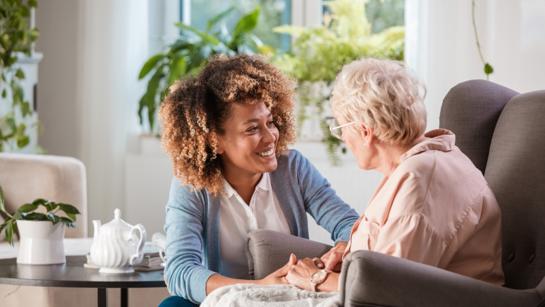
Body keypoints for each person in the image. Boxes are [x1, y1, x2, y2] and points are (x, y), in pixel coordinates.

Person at [282, 58, 504, 293]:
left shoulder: (420, 179)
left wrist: (316, 278)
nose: (344, 138)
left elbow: (389, 288)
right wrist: (348, 252)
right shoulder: (422, 163)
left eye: (340, 128)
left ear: (364, 131)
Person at [158, 54, 359, 306]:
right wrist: (258, 289)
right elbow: (180, 270)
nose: (270, 137)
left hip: (289, 299)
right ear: (214, 141)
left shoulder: (293, 168)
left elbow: (349, 225)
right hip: (227, 301)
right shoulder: (191, 185)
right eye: (252, 129)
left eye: (270, 122)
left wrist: (340, 250)